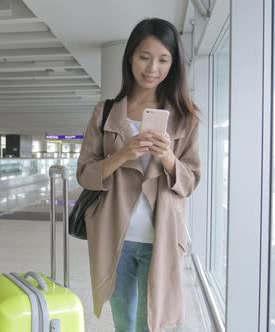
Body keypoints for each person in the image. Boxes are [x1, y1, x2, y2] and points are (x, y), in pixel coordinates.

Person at [76, 18, 201, 332]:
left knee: (152, 325)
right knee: (124, 324)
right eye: (144, 57)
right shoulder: (105, 112)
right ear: (130, 56)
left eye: (163, 59)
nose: (152, 68)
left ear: (173, 65)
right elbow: (85, 175)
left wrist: (168, 157)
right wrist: (123, 154)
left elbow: (190, 182)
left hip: (160, 239)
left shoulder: (186, 118)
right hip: (114, 236)